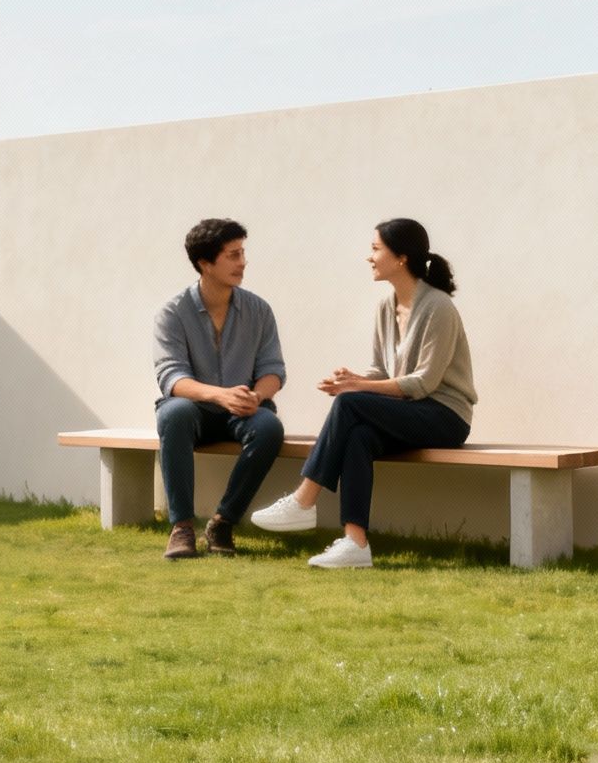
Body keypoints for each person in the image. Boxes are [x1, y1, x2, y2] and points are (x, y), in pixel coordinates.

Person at [250, 219, 476, 568]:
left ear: (401, 257)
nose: (369, 257)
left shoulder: (439, 308)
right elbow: (382, 373)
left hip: (445, 415)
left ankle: (304, 500)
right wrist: (354, 378)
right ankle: (356, 543)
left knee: (350, 402)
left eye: (375, 249)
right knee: (358, 434)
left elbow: (423, 383)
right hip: (408, 411)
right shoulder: (386, 307)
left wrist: (356, 388)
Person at [151, 218, 286, 559]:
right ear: (205, 263)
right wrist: (219, 394)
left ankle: (223, 521)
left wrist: (256, 396)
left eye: (242, 253)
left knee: (269, 427)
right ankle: (181, 528)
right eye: (232, 255)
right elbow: (172, 378)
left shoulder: (259, 310)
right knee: (174, 414)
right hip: (196, 407)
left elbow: (273, 371)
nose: (242, 263)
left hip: (243, 409)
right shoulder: (172, 312)